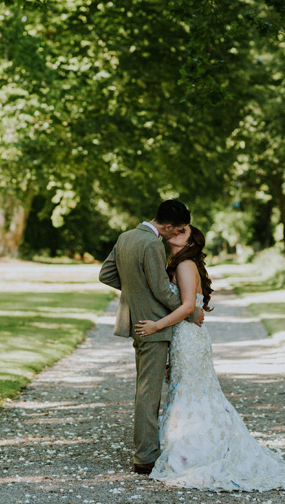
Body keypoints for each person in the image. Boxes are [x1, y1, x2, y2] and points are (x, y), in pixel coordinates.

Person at [134, 225, 285, 491]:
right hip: (185, 337)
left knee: (193, 392)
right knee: (188, 390)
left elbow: (187, 306)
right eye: (176, 230)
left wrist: (155, 326)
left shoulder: (185, 265)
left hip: (188, 338)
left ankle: (198, 449)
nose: (175, 233)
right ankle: (191, 443)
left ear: (191, 243)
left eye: (183, 232)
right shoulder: (178, 263)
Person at [98, 199, 204, 475]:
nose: (178, 234)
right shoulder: (152, 244)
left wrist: (135, 288)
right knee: (149, 392)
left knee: (146, 387)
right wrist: (192, 312)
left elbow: (106, 274)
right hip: (153, 326)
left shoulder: (126, 237)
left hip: (137, 321)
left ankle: (147, 449)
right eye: (178, 229)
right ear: (167, 226)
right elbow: (161, 290)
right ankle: (144, 456)